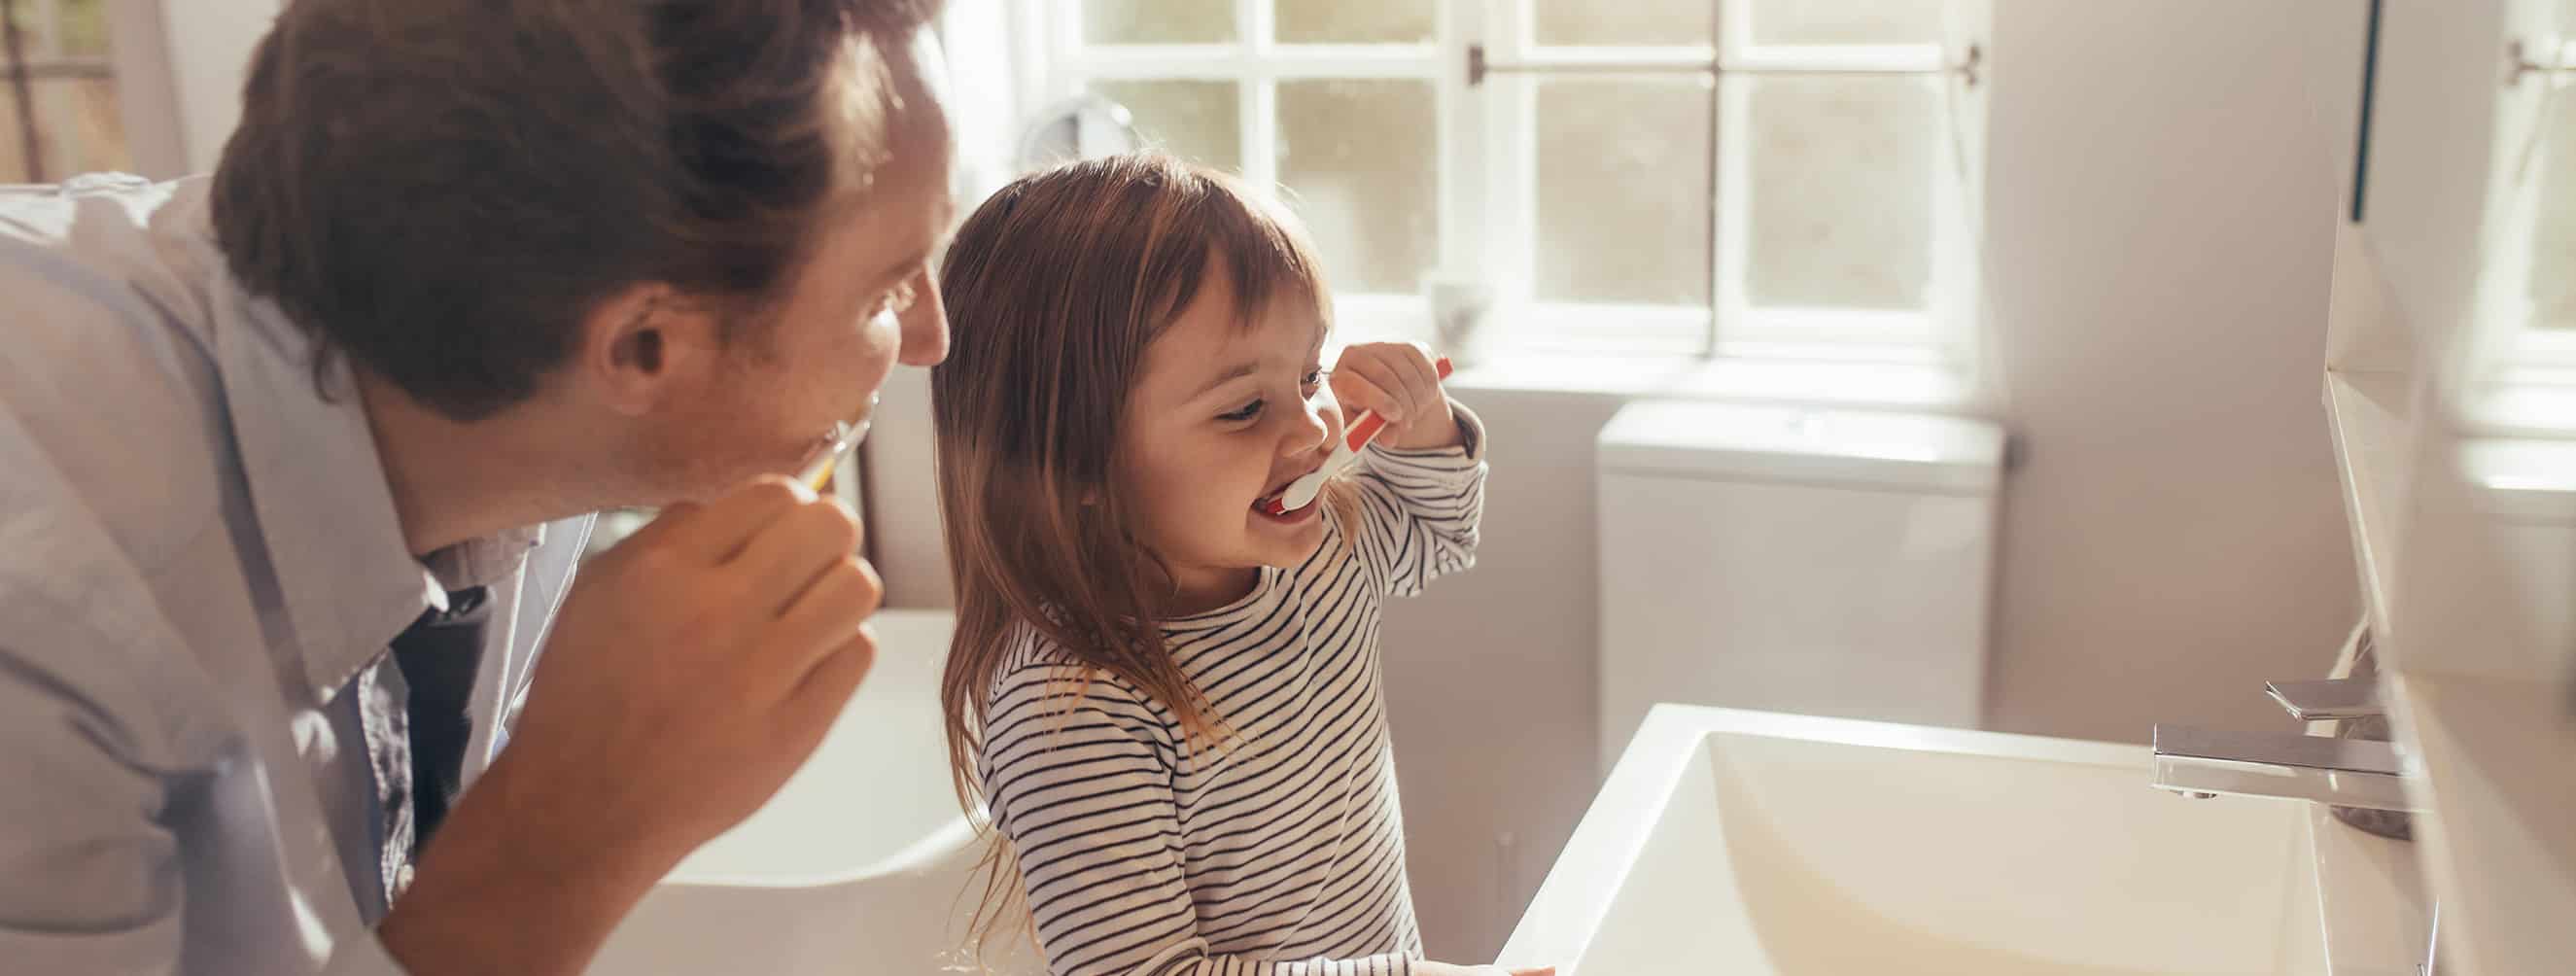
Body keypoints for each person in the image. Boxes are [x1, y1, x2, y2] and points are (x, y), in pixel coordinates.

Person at [0, 1, 952, 973]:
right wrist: (567, 836)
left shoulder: (515, 375)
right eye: (887, 290)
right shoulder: (52, 608)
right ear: (643, 344)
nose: (931, 341)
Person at [929, 154, 1547, 976]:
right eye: (1245, 408)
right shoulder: (1071, 713)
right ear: (1074, 464)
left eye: (1310, 373)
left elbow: (1436, 534)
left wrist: (1426, 428)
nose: (1315, 429)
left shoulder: (1317, 551)